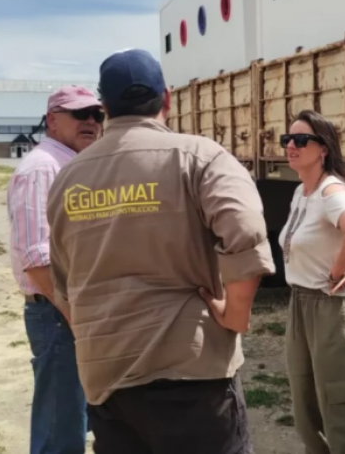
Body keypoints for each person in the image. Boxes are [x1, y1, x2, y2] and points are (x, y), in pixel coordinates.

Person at [46, 48, 275, 454]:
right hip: (191, 369)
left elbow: (63, 280)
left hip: (107, 375)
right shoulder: (200, 156)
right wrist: (236, 314)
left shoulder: (68, 178)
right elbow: (244, 227)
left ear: (104, 107)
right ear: (166, 99)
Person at [6, 85, 105, 454]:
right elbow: (37, 257)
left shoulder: (71, 164)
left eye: (97, 115)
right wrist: (71, 313)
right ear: (52, 120)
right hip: (58, 311)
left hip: (75, 308)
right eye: (81, 114)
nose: (91, 122)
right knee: (60, 424)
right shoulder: (42, 169)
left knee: (76, 414)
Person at [278, 109, 345, 454]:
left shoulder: (331, 191)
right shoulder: (301, 192)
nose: (291, 145)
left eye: (301, 140)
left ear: (324, 148)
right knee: (306, 411)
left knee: (339, 410)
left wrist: (337, 271)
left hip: (332, 306)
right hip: (300, 304)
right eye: (287, 139)